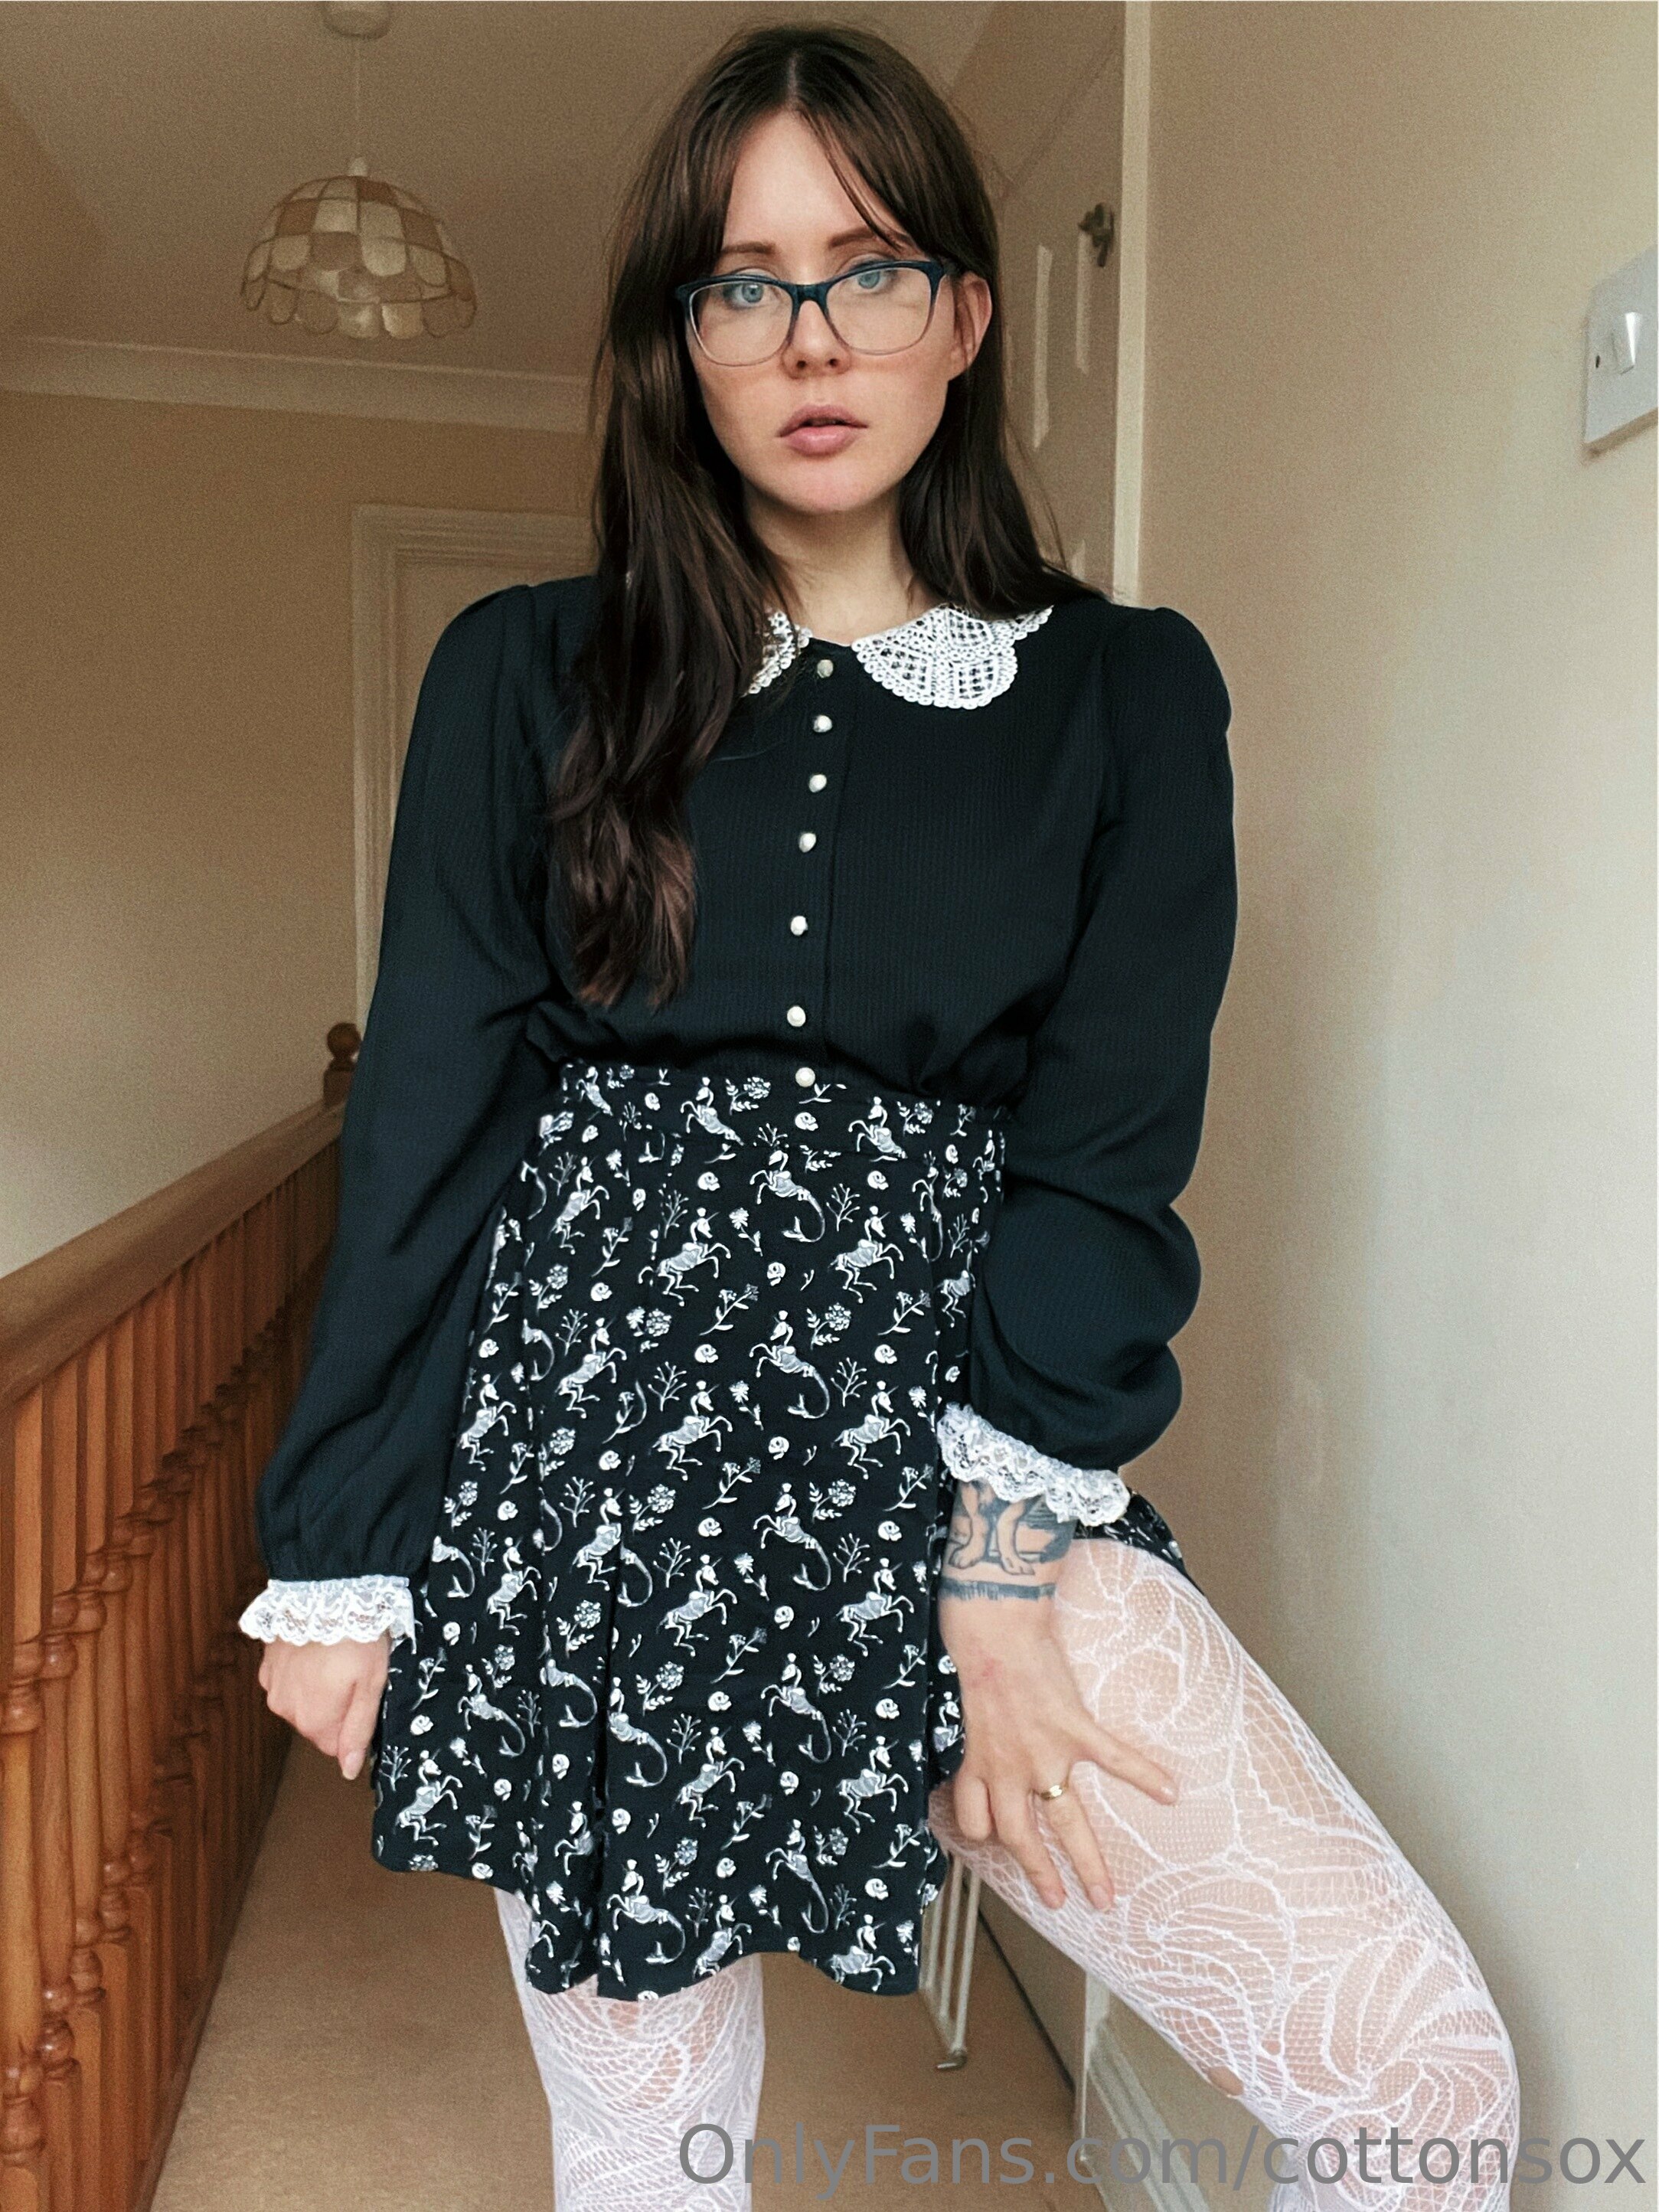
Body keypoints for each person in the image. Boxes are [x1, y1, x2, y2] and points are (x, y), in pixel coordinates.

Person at [238, 21, 1519, 2211]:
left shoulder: (1125, 696)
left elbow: (1105, 1152)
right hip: (593, 1485)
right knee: (650, 2158)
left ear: (969, 316)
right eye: (744, 282)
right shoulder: (523, 672)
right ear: (682, 338)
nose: (812, 336)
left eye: (870, 269)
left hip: (958, 1471)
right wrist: (341, 1550)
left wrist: (1001, 1576)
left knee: (1416, 2075)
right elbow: (432, 1124)